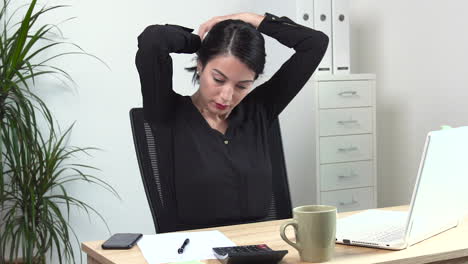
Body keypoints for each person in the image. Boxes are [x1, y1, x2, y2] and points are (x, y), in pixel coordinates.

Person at [135, 12, 329, 229]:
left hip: (261, 249)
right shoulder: (167, 113)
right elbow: (153, 40)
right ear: (200, 65)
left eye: (242, 86)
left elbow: (315, 43)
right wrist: (198, 41)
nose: (226, 96)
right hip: (195, 254)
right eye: (218, 79)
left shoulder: (260, 110)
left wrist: (252, 19)